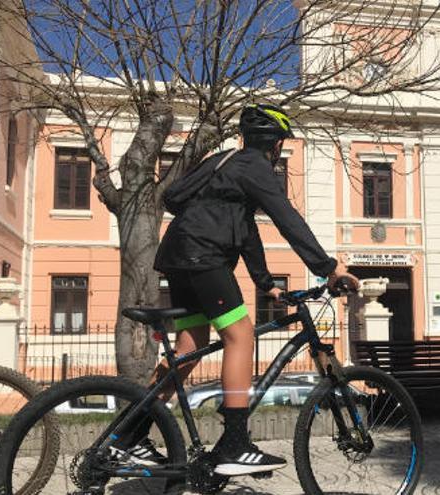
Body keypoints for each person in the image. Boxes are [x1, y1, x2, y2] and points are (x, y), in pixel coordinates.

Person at [114, 104, 359, 476]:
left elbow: (246, 228)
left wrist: (265, 284)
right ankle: (233, 444)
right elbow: (285, 216)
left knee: (188, 350)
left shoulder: (225, 163)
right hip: (203, 256)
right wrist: (329, 268)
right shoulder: (254, 166)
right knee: (240, 333)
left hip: (180, 256)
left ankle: (128, 439)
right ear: (275, 145)